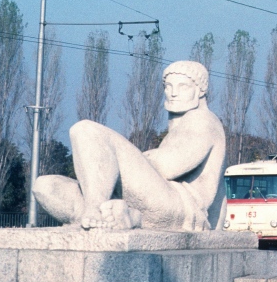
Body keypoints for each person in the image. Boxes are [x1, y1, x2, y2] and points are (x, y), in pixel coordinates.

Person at [35, 60, 226, 231]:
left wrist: (125, 157)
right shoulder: (182, 124)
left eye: (182, 86)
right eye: (168, 86)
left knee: (85, 129)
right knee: (45, 186)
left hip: (175, 207)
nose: (173, 93)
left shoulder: (203, 120)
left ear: (201, 90)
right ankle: (120, 215)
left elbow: (168, 167)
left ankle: (95, 209)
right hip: (154, 205)